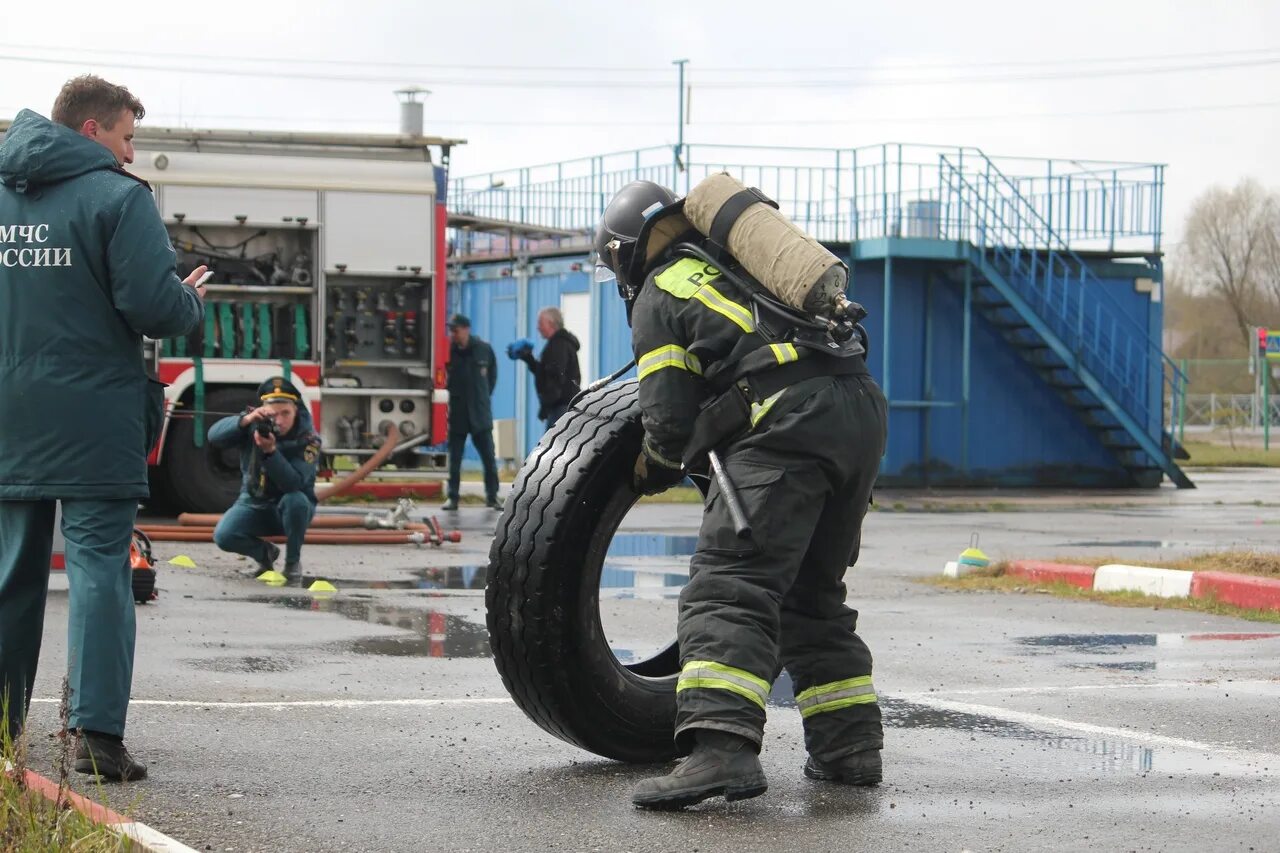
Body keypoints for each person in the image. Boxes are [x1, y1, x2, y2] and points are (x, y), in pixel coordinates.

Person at [593, 181, 888, 810]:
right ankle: (849, 748)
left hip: (789, 420)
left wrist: (653, 465)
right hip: (858, 410)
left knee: (729, 586)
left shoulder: (661, 291)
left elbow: (667, 424)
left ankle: (721, 752)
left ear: (624, 254)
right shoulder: (743, 268)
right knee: (811, 593)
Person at [0, 75, 207, 782]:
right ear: (91, 131)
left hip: (7, 416)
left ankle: (1, 731)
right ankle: (93, 738)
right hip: (93, 419)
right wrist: (187, 299)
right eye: (127, 137)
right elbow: (153, 307)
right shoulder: (121, 200)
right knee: (96, 573)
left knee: (9, 572)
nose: (130, 152)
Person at [209, 377, 322, 582]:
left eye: (285, 413)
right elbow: (214, 437)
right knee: (224, 536)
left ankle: (292, 563)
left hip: (290, 508)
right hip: (254, 501)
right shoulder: (255, 427)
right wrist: (244, 420)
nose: (279, 421)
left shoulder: (309, 439)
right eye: (273, 414)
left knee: (295, 500)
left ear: (296, 411)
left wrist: (270, 452)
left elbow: (293, 483)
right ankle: (265, 554)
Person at [443, 314, 502, 511]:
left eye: (456, 330)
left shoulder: (483, 349)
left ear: (466, 329)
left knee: (488, 458)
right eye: (451, 330)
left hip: (479, 413)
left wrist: (482, 397)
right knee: (455, 460)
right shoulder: (449, 352)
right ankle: (453, 498)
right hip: (459, 413)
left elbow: (492, 378)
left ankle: (492, 497)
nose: (453, 334)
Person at [506, 307, 582, 430]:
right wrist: (529, 359)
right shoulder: (557, 344)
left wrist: (545, 406)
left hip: (561, 408)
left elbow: (556, 378)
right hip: (562, 406)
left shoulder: (559, 345)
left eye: (540, 323)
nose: (538, 327)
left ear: (551, 324)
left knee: (555, 446)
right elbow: (547, 373)